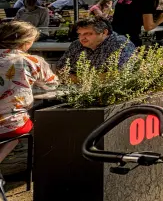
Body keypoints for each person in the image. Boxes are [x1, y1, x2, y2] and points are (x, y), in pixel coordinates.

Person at [0, 22, 57, 169]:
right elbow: (52, 85)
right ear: (25, 42)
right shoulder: (32, 61)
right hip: (10, 124)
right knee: (16, 130)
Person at [57, 18, 135, 72]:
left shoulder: (121, 44)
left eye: (88, 34)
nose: (82, 38)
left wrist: (79, 79)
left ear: (104, 32)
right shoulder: (77, 44)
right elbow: (60, 69)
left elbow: (119, 74)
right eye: (80, 34)